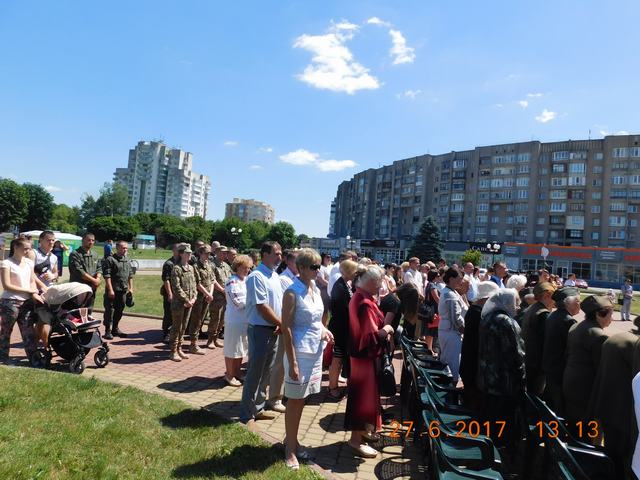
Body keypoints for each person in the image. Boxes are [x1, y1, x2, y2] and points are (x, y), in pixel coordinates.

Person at [281, 249, 334, 470]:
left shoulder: (314, 288)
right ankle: (289, 450)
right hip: (299, 353)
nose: (317, 270)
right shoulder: (292, 292)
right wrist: (292, 362)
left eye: (318, 266)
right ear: (301, 267)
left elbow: (316, 320)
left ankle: (291, 440)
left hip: (315, 351)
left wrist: (324, 330)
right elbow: (286, 328)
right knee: (294, 401)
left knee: (302, 399)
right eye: (313, 267)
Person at [345, 265, 394, 458]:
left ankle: (362, 432)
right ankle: (355, 440)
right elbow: (371, 336)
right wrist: (387, 329)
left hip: (360, 357)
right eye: (379, 282)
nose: (381, 286)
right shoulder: (364, 302)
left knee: (362, 396)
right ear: (371, 282)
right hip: (364, 359)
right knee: (362, 398)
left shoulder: (359, 297)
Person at [588, 317, 640, 480]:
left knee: (612, 451)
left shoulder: (619, 338)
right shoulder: (634, 344)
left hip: (606, 403)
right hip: (624, 410)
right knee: (623, 457)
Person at [240, 241, 284, 424]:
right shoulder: (256, 276)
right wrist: (281, 323)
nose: (280, 257)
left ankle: (258, 408)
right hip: (260, 330)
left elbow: (277, 304)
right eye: (276, 253)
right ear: (265, 254)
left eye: (281, 253)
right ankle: (246, 414)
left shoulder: (274, 275)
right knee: (254, 373)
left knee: (266, 372)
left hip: (273, 329)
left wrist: (279, 323)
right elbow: (262, 307)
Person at [477, 288, 525, 448]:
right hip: (503, 380)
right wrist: (522, 380)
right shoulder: (506, 322)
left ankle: (489, 445)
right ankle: (499, 450)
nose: (518, 306)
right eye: (516, 302)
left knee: (490, 416)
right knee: (502, 420)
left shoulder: (487, 317)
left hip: (486, 377)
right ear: (507, 302)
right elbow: (516, 354)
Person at [562, 295, 613, 428]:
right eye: (610, 314)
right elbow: (600, 369)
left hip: (570, 381)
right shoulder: (599, 335)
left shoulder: (576, 326)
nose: (611, 319)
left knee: (573, 423)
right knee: (585, 427)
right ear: (599, 314)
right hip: (585, 389)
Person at [0, 238, 44, 364]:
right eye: (25, 249)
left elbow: (32, 280)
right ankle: (3, 358)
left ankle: (34, 359)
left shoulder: (29, 263)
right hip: (10, 302)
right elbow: (7, 285)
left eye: (29, 248)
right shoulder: (6, 263)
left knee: (28, 332)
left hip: (27, 302)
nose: (27, 251)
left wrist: (34, 292)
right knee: (6, 331)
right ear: (16, 247)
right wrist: (28, 290)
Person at [268, 250, 300, 413]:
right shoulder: (284, 279)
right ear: (288, 262)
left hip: (296, 326)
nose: (299, 265)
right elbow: (283, 304)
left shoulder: (297, 278)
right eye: (296, 262)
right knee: (280, 362)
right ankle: (275, 397)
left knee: (290, 361)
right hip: (286, 325)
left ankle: (287, 393)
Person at [541, 286, 581, 415]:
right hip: (559, 369)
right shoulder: (567, 321)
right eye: (578, 301)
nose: (580, 305)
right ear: (568, 303)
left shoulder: (554, 315)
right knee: (559, 407)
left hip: (551, 366)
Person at [459, 281, 499, 405]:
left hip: (469, 361)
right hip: (472, 363)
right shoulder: (478, 313)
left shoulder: (475, 310)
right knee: (473, 399)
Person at [328, 259, 358, 399]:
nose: (356, 274)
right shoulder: (339, 287)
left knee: (340, 357)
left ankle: (334, 385)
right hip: (339, 328)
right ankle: (332, 387)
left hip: (343, 327)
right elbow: (341, 310)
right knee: (337, 358)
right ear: (348, 271)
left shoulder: (345, 284)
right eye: (354, 271)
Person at [520, 282, 556, 396]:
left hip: (529, 359)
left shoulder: (533, 308)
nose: (555, 300)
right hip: (536, 362)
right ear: (546, 295)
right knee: (535, 394)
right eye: (554, 296)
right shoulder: (542, 313)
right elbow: (547, 341)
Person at [223, 254, 254, 386]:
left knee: (241, 348)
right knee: (232, 348)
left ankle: (237, 372)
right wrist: (254, 302)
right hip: (234, 321)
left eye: (249, 268)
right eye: (244, 267)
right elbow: (239, 303)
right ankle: (229, 375)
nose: (247, 270)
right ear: (237, 267)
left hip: (245, 320)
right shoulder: (232, 282)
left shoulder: (246, 280)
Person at [29, 231, 59, 347]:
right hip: (34, 291)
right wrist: (41, 285)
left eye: (53, 240)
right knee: (37, 320)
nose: (51, 242)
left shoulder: (54, 257)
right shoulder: (33, 253)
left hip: (48, 291)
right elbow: (29, 273)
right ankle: (43, 346)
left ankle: (41, 346)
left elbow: (56, 273)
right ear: (40, 241)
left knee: (44, 319)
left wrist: (53, 276)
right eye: (48, 240)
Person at [168, 244, 198, 362]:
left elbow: (194, 285)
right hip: (179, 303)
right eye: (187, 253)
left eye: (190, 253)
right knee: (177, 327)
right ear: (181, 254)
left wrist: (194, 298)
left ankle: (179, 348)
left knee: (184, 327)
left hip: (189, 303)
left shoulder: (191, 268)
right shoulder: (177, 268)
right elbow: (176, 287)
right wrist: (187, 300)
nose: (189, 255)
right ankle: (173, 351)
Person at [438, 268, 466, 384]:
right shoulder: (450, 294)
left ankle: (448, 385)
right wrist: (464, 330)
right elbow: (456, 318)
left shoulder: (451, 292)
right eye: (459, 279)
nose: (461, 281)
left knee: (448, 360)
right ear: (451, 279)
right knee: (453, 363)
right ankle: (451, 388)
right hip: (451, 332)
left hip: (448, 330)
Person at [102, 241, 134, 339]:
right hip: (113, 290)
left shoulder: (127, 260)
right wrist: (110, 290)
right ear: (117, 248)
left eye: (126, 248)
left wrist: (131, 288)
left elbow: (130, 275)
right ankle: (107, 331)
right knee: (110, 311)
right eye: (123, 248)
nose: (125, 250)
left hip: (123, 290)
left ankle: (115, 329)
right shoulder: (110, 260)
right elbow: (107, 276)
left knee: (120, 310)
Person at [189, 245, 215, 355]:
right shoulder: (196, 266)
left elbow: (212, 280)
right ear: (200, 253)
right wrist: (208, 294)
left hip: (207, 297)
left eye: (209, 253)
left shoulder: (209, 265)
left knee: (201, 320)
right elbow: (198, 283)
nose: (208, 255)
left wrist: (210, 294)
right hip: (199, 298)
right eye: (206, 253)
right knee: (196, 320)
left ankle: (195, 343)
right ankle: (193, 344)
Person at [68, 232, 102, 309]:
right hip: (78, 288)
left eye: (93, 240)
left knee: (89, 309)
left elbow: (99, 268)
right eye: (89, 240)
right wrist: (94, 281)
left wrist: (98, 278)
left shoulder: (95, 254)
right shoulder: (75, 254)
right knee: (77, 310)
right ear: (83, 240)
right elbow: (79, 271)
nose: (91, 242)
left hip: (92, 287)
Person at [207, 246, 232, 348]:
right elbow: (212, 280)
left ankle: (216, 338)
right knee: (215, 318)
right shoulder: (212, 265)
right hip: (217, 296)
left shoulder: (226, 265)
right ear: (217, 252)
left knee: (222, 319)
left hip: (226, 296)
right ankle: (210, 340)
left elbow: (230, 279)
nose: (225, 255)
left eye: (226, 253)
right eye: (223, 253)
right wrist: (222, 290)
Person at [160, 244, 181, 344]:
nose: (180, 251)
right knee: (169, 313)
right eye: (178, 249)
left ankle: (176, 333)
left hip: (179, 293)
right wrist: (169, 294)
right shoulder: (169, 263)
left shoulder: (182, 262)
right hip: (171, 292)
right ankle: (167, 333)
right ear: (173, 250)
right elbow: (166, 280)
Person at [423, 269, 441, 349]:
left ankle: (429, 348)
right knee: (431, 331)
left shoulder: (428, 284)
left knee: (429, 330)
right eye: (438, 276)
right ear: (434, 277)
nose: (439, 277)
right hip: (432, 310)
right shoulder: (433, 286)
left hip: (428, 309)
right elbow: (437, 298)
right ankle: (429, 349)